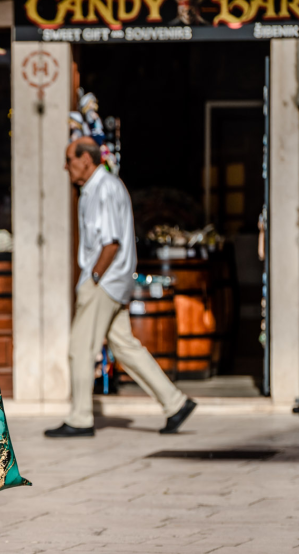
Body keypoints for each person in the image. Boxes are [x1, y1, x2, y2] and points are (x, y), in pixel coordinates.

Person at [46, 137, 197, 438]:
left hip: (105, 281)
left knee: (80, 348)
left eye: (70, 160)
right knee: (124, 346)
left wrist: (95, 276)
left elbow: (110, 242)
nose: (66, 167)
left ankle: (80, 419)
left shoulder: (103, 188)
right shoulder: (99, 187)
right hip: (113, 281)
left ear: (86, 161)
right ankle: (175, 402)